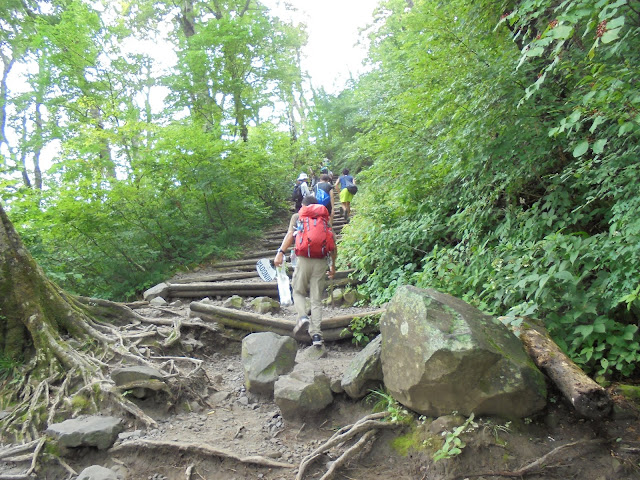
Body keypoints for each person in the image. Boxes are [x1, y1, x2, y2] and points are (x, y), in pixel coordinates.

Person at [274, 196, 336, 347]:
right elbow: (333, 242)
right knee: (316, 299)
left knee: (298, 291)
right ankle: (316, 335)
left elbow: (290, 235)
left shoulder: (298, 216)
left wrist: (281, 252)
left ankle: (302, 317)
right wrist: (333, 265)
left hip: (302, 259)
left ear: (303, 205)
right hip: (321, 261)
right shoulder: (324, 219)